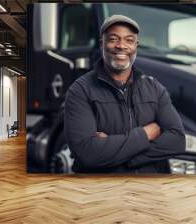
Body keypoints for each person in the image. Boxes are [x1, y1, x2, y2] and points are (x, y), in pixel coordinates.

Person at [64, 15, 185, 173]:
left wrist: (124, 157)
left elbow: (177, 141)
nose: (121, 46)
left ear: (136, 45)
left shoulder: (155, 88)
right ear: (102, 44)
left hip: (148, 191)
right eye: (114, 39)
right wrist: (144, 134)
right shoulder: (80, 90)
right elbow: (87, 153)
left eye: (129, 40)